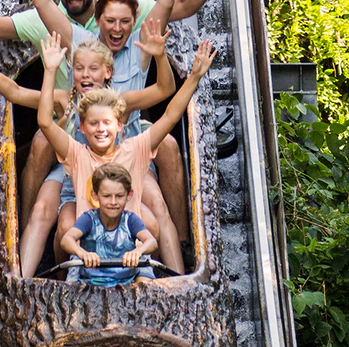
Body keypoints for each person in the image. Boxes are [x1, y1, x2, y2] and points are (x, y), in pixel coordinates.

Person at [0, 0, 241, 235]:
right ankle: (17, 241)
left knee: (164, 152)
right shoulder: (68, 35)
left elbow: (171, 6)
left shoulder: (131, 33)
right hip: (73, 132)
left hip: (125, 139)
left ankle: (182, 246)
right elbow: (28, 11)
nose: (117, 27)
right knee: (42, 147)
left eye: (124, 22)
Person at [24, 0, 190, 272]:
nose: (116, 29)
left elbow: (164, 1)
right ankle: (25, 266)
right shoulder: (81, 42)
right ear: (97, 20)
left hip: (127, 154)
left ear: (134, 23)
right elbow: (41, 2)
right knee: (47, 197)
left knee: (157, 204)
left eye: (124, 23)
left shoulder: (142, 46)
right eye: (109, 21)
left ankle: (180, 263)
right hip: (80, 155)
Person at [0, 19, 174, 277]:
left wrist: (160, 57)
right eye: (79, 68)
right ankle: (24, 277)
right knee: (46, 212)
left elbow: (165, 90)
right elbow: (16, 93)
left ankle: (172, 276)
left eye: (93, 69)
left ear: (107, 72)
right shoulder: (64, 98)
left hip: (116, 168)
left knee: (154, 212)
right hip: (71, 169)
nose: (85, 75)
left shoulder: (117, 102)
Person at [36, 32, 217, 278]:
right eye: (94, 124)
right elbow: (45, 122)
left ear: (120, 125)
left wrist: (195, 75)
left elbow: (171, 115)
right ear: (82, 128)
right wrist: (49, 71)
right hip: (88, 258)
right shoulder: (77, 155)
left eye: (107, 123)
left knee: (150, 236)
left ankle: (169, 279)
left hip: (130, 257)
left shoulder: (136, 149)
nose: (101, 130)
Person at [60, 163, 158, 287]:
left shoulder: (130, 220)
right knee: (74, 260)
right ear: (95, 195)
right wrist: (83, 253)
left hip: (127, 279)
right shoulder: (88, 219)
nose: (113, 202)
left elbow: (151, 241)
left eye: (119, 196)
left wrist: (138, 252)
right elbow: (66, 240)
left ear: (129, 195)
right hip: (91, 280)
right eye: (106, 196)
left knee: (145, 259)